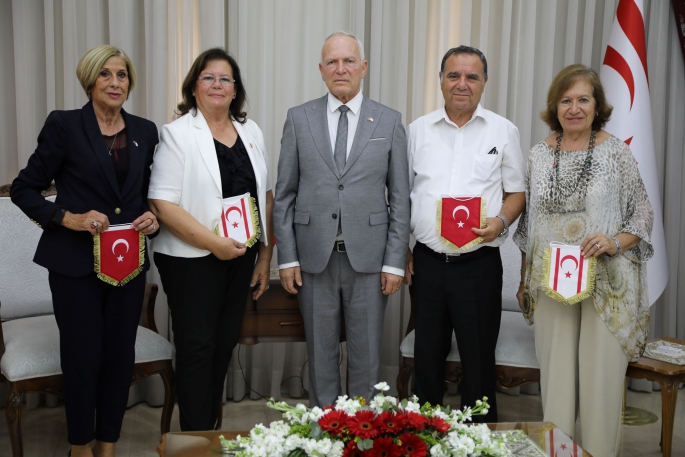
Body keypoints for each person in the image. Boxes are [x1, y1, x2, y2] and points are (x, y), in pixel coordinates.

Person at [10, 45, 159, 457]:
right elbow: (24, 189)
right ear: (90, 81)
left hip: (128, 264)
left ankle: (107, 445)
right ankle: (79, 446)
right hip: (74, 264)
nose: (115, 83)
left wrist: (152, 218)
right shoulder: (65, 125)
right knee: (82, 357)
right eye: (106, 75)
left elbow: (148, 196)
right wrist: (67, 218)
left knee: (119, 358)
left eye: (122, 75)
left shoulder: (146, 131)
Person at [513, 64, 653, 456]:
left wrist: (613, 241)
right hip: (551, 279)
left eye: (583, 100)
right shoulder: (539, 155)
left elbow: (642, 213)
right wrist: (525, 279)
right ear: (555, 106)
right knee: (555, 381)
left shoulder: (616, 151)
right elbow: (530, 223)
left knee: (599, 384)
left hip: (608, 283)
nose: (574, 108)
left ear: (597, 106)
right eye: (566, 100)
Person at [274, 31, 410, 407]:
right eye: (332, 62)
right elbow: (283, 194)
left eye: (349, 60)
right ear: (321, 70)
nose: (341, 68)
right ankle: (325, 435)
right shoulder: (298, 119)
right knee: (320, 356)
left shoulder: (388, 120)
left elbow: (400, 198)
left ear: (363, 67)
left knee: (366, 358)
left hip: (369, 260)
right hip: (313, 258)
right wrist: (287, 257)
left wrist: (395, 262)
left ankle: (361, 437)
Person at [148, 48, 273, 431]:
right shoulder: (177, 134)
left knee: (222, 346)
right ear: (194, 86)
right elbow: (162, 203)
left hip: (241, 256)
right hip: (191, 260)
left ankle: (208, 431)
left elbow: (265, 196)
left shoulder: (251, 132)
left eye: (225, 79)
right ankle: (195, 441)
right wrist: (213, 244)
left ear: (236, 90)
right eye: (208, 77)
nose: (217, 85)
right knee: (198, 349)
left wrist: (265, 257)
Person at [405, 46, 526, 422]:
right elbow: (398, 194)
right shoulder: (416, 131)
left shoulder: (503, 130)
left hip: (478, 266)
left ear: (484, 82)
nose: (462, 84)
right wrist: (402, 253)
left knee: (477, 359)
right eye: (453, 75)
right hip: (426, 263)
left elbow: (517, 193)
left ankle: (478, 438)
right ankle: (423, 434)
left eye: (472, 76)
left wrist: (501, 222)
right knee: (427, 355)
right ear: (440, 80)